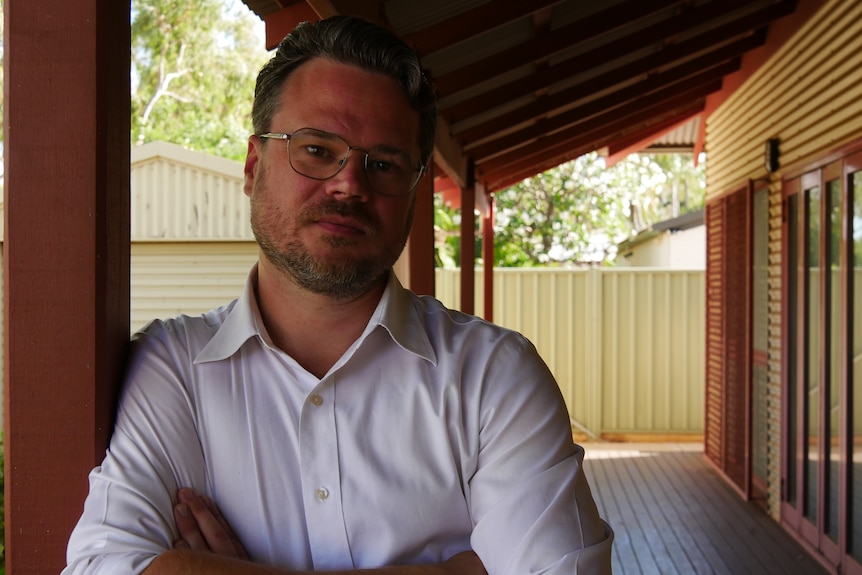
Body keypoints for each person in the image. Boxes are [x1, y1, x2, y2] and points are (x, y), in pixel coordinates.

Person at [63, 14, 613, 575]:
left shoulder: (494, 376)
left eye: (384, 163)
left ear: (414, 193)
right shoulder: (175, 366)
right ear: (254, 166)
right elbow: (100, 567)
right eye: (317, 150)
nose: (350, 183)